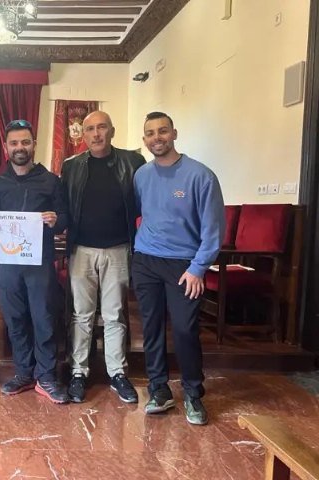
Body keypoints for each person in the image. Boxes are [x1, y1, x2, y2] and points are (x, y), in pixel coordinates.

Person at [132, 112, 225, 425]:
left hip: (184, 265)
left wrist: (198, 268)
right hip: (146, 260)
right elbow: (142, 213)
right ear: (144, 140)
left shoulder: (201, 176)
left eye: (162, 131)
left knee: (185, 329)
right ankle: (159, 389)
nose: (156, 138)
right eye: (150, 133)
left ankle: (193, 393)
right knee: (151, 328)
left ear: (174, 133)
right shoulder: (141, 175)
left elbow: (213, 230)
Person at [61, 110, 145, 404]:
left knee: (114, 314)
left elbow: (142, 204)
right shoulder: (71, 166)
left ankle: (117, 372)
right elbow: (64, 207)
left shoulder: (133, 162)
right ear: (82, 135)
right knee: (81, 315)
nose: (96, 134)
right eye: (90, 129)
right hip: (81, 250)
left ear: (112, 130)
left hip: (118, 249)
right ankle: (78, 371)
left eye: (101, 127)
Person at [0, 119, 69, 403]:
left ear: (34, 144)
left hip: (40, 264)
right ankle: (24, 372)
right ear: (6, 147)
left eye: (25, 142)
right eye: (14, 143)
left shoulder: (51, 181)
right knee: (15, 319)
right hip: (8, 264)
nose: (20, 147)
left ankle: (46, 376)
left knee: (44, 318)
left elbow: (65, 217)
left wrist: (56, 219)